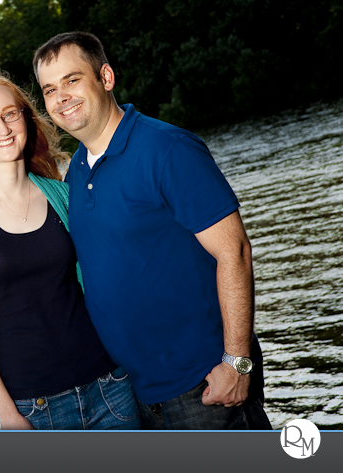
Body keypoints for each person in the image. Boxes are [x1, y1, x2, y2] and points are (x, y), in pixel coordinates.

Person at [33, 32, 272, 430]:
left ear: (105, 77)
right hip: (134, 394)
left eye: (72, 80)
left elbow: (236, 253)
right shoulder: (75, 170)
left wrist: (237, 362)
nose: (62, 97)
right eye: (50, 89)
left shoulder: (167, 149)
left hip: (205, 384)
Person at [0, 71, 141, 430]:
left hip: (111, 387)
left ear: (25, 117)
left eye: (9, 114)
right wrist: (9, 415)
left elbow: (116, 279)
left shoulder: (63, 195)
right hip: (34, 409)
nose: (2, 127)